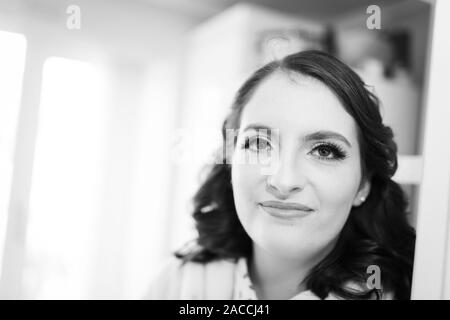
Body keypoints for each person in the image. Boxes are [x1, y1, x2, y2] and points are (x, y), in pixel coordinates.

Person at [145, 50, 415, 300]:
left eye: (324, 151)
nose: (283, 181)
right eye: (260, 144)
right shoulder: (174, 285)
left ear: (363, 183)